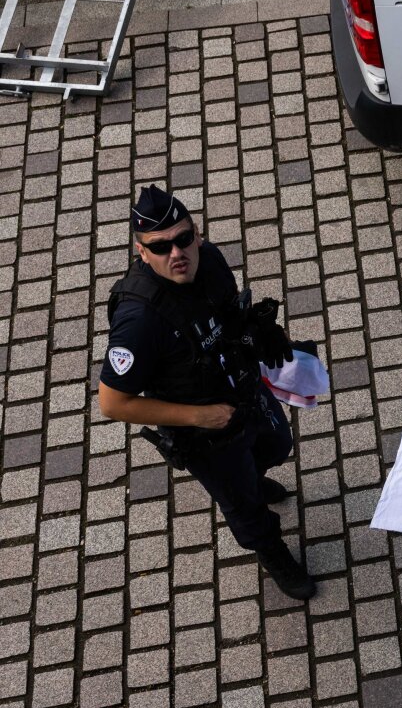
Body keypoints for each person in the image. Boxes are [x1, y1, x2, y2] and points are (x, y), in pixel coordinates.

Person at [98, 184, 316, 600]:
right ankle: (275, 556)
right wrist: (199, 417)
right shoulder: (139, 321)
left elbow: (227, 315)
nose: (176, 253)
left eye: (183, 239)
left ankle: (253, 478)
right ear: (141, 253)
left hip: (242, 389)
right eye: (159, 247)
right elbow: (112, 403)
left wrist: (259, 332)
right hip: (206, 432)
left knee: (277, 445)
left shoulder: (210, 260)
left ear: (196, 234)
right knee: (246, 509)